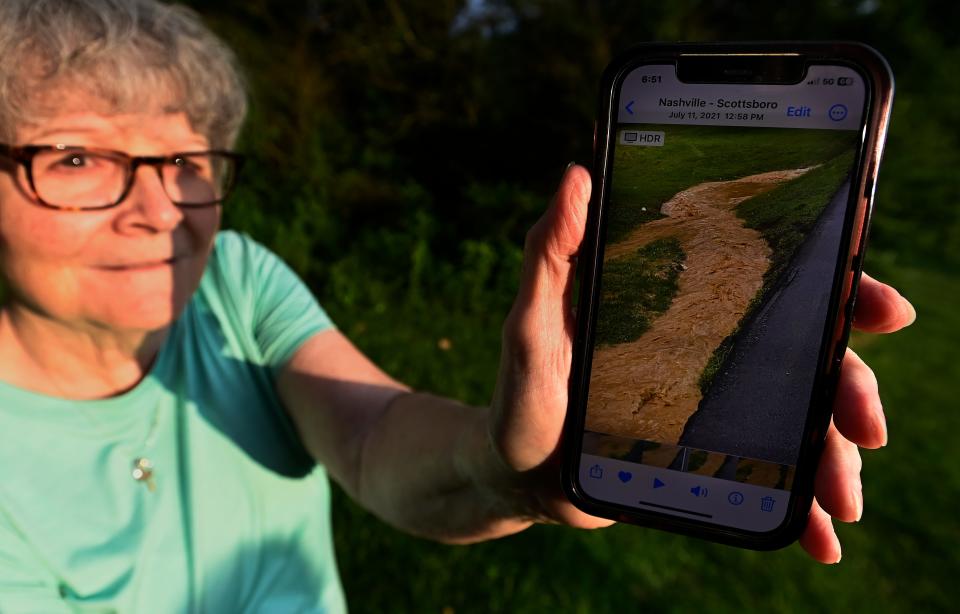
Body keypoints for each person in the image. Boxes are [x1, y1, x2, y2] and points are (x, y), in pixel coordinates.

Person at [0, 1, 916, 611]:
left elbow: (371, 437)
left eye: (185, 163)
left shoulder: (231, 281)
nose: (161, 211)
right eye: (78, 159)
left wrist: (509, 468)